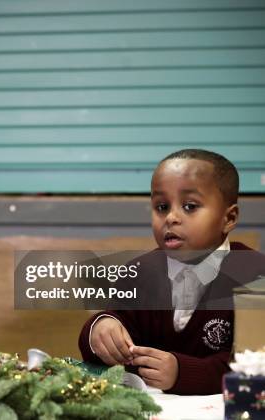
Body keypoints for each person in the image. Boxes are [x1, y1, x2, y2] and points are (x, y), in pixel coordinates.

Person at [78, 149, 265, 395]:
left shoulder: (255, 275)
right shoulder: (139, 272)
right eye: (162, 206)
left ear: (229, 218)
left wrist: (181, 373)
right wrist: (100, 329)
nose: (171, 217)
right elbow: (112, 330)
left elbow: (255, 365)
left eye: (190, 206)